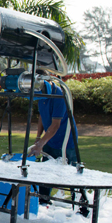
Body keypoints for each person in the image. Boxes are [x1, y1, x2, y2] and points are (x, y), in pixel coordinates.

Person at [28, 73, 87, 215]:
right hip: (49, 138)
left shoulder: (58, 95)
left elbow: (55, 125)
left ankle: (82, 208)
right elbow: (42, 116)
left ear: (48, 82)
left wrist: (41, 143)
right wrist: (38, 137)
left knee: (72, 173)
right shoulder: (41, 93)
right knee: (45, 169)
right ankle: (43, 202)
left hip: (66, 140)